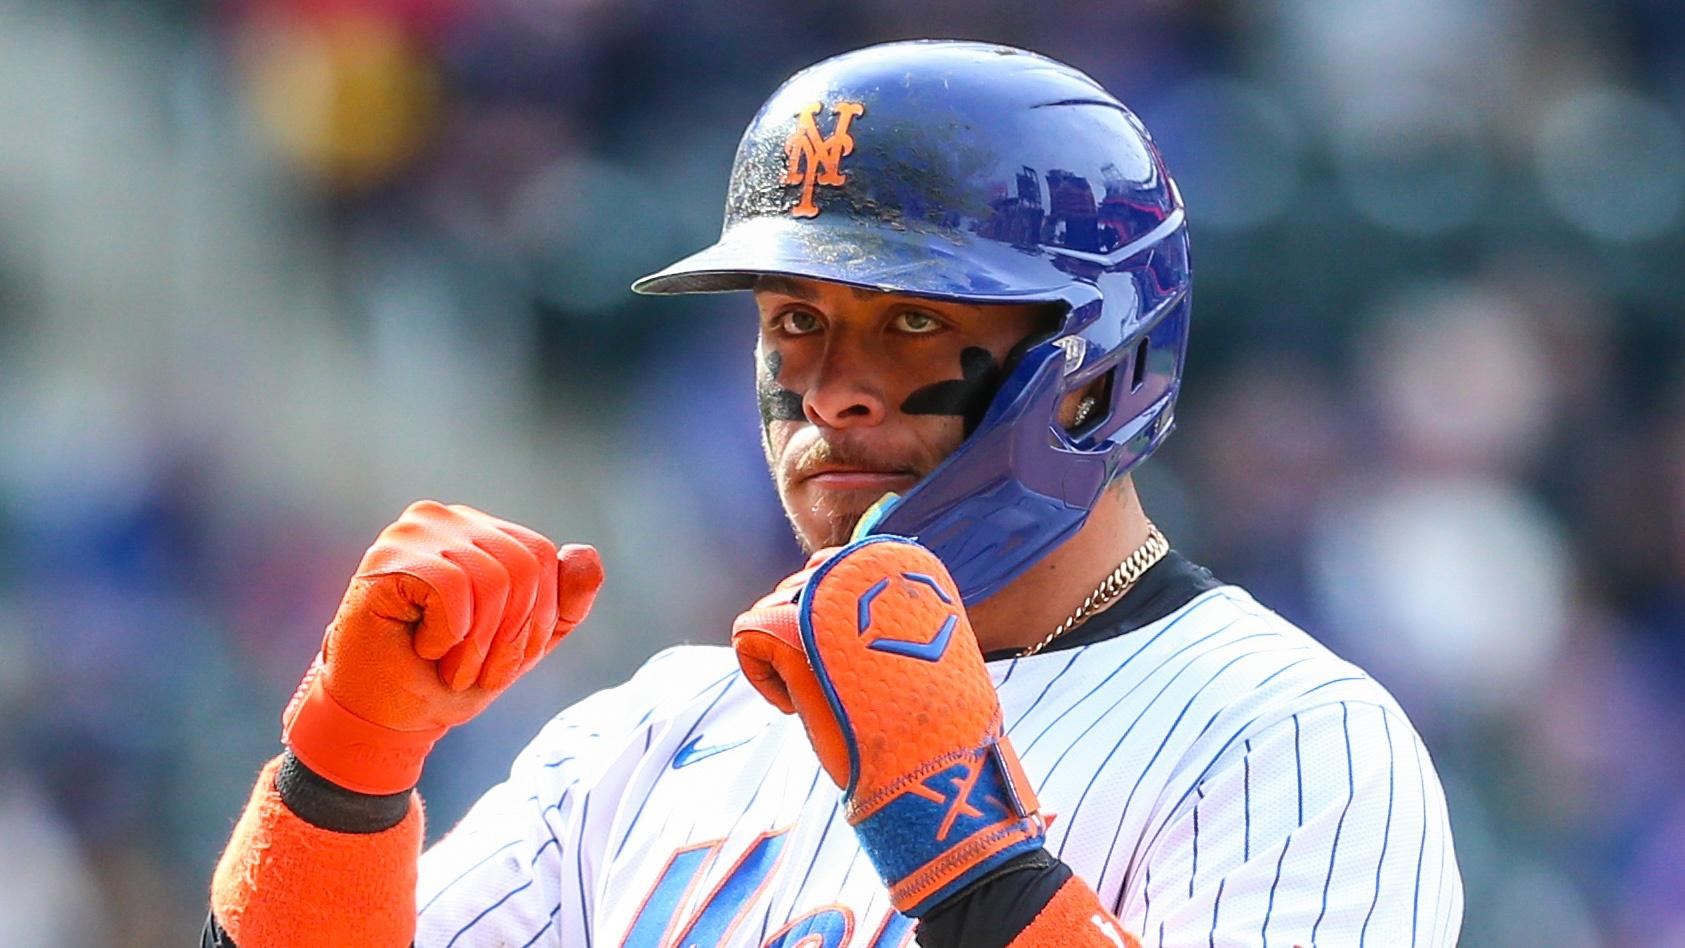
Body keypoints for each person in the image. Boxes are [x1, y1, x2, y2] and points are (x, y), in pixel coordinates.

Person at [205, 41, 1462, 947]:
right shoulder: (641, 742)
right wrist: (344, 782)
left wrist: (972, 860)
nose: (835, 391)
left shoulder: (1288, 740)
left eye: (912, 319)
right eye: (796, 318)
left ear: (1098, 369)